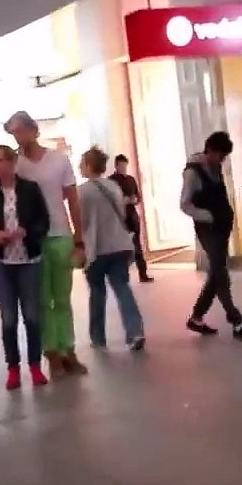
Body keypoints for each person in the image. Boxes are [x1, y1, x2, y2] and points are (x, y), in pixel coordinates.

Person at [6, 110, 88, 376]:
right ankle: (51, 351)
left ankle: (69, 350)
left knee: (62, 298)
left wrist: (79, 238)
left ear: (34, 130)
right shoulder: (16, 166)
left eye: (20, 131)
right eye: (14, 133)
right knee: (42, 300)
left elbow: (72, 199)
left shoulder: (59, 160)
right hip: (33, 239)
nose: (18, 137)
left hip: (60, 234)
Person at [0, 145, 51, 390]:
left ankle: (35, 366)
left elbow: (44, 221)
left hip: (29, 261)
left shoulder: (30, 190)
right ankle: (13, 368)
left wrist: (27, 231)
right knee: (8, 319)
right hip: (3, 264)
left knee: (32, 316)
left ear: (11, 162)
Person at [181, 131, 242, 341]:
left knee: (216, 273)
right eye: (221, 155)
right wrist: (208, 216)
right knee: (221, 274)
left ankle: (196, 318)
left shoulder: (216, 167)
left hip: (222, 226)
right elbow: (184, 204)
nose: (222, 160)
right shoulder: (193, 173)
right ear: (211, 150)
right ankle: (236, 321)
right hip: (208, 228)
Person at [77, 147, 145, 352]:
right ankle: (135, 332)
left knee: (97, 292)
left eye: (82, 163)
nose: (80, 167)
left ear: (89, 165)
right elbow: (122, 214)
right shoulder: (114, 187)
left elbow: (82, 222)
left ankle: (98, 338)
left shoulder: (82, 192)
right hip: (119, 246)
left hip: (96, 249)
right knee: (122, 288)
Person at [108, 155, 154, 283]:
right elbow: (110, 200)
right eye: (121, 166)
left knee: (137, 245)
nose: (123, 168)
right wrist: (122, 201)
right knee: (122, 247)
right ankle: (123, 275)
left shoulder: (131, 179)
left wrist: (134, 200)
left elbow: (138, 196)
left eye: (125, 166)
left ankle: (143, 273)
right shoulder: (111, 181)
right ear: (116, 166)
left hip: (132, 216)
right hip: (119, 218)